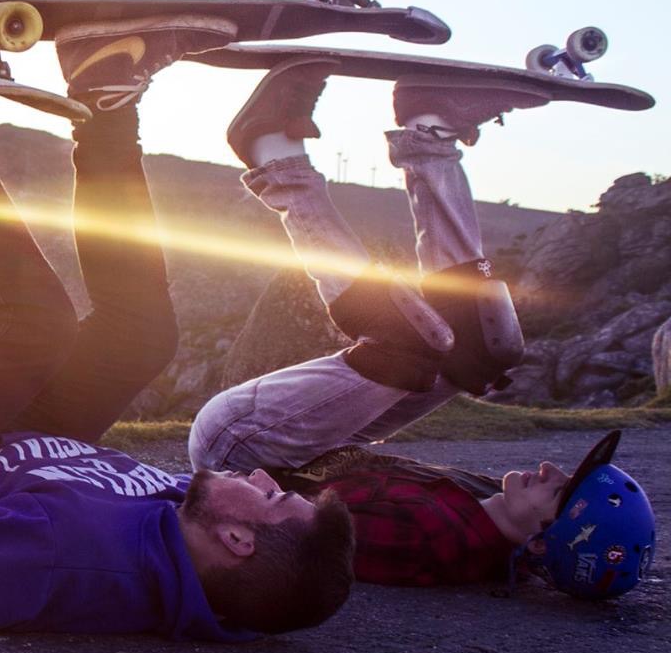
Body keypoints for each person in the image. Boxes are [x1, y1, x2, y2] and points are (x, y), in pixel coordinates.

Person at [0, 19, 357, 640]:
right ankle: (105, 97)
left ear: (238, 540)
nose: (268, 479)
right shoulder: (191, 525)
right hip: (18, 444)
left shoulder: (54, 558)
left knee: (34, 324)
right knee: (144, 335)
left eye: (273, 498)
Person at [189, 61, 655, 597]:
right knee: (485, 347)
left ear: (542, 539)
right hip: (307, 451)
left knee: (410, 344)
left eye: (560, 491)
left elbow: (290, 536)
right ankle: (429, 131)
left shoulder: (433, 543)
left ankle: (271, 152)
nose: (551, 468)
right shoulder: (483, 517)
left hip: (244, 457)